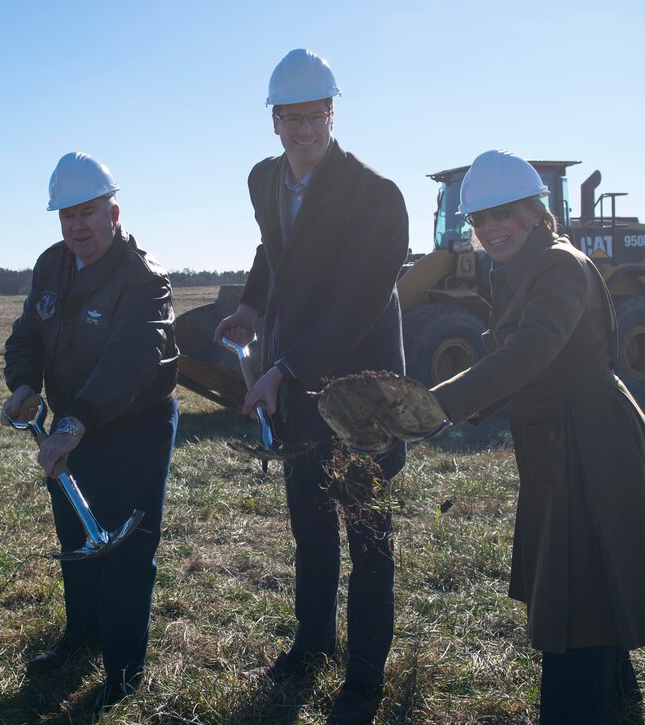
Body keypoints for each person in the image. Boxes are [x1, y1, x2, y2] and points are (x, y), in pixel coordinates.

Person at [428, 150, 645, 723]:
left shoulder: (557, 265)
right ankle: (617, 702)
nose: (489, 228)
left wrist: (438, 405)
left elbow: (529, 351)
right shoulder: (519, 268)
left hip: (591, 441)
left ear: (535, 211)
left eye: (502, 213)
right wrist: (456, 409)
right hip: (560, 438)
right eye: (479, 219)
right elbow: (520, 364)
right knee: (594, 578)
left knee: (580, 596)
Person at [214, 49, 409, 725]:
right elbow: (274, 248)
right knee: (310, 521)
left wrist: (285, 368)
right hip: (295, 385)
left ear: (333, 114)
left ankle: (364, 679)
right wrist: (250, 304)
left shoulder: (377, 196)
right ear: (274, 121)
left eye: (315, 117)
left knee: (368, 536)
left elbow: (357, 305)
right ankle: (312, 643)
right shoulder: (264, 179)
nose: (304, 130)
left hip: (362, 393)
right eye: (291, 118)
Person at [0, 152, 178, 716]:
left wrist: (75, 422)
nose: (77, 227)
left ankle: (123, 671)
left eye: (88, 213)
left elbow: (130, 362)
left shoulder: (144, 279)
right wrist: (24, 383)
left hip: (132, 430)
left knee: (127, 550)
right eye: (67, 215)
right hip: (69, 428)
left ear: (114, 213)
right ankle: (80, 638)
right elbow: (28, 333)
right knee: (77, 538)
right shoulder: (52, 265)